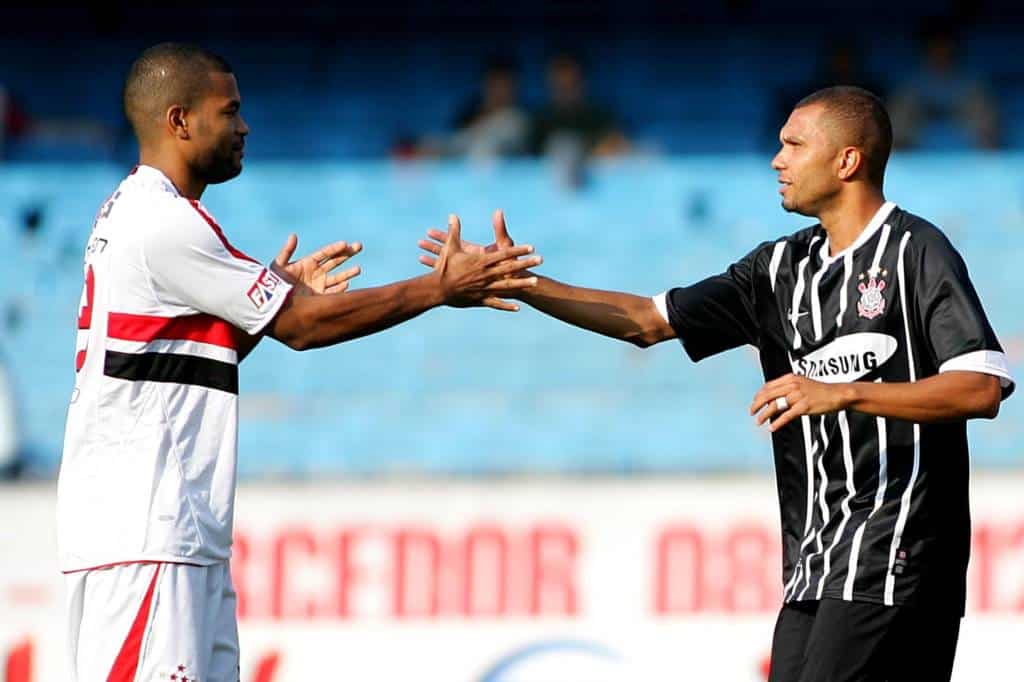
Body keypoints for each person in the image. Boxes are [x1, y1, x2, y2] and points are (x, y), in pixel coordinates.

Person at [420, 86, 1014, 681]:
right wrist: (522, 283)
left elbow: (981, 385)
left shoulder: (916, 250)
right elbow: (648, 322)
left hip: (897, 560)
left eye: (793, 145)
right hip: (814, 567)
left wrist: (846, 393)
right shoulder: (778, 269)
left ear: (847, 161)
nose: (777, 159)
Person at [57, 43, 541, 682]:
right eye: (229, 112)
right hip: (144, 538)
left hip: (173, 533)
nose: (244, 126)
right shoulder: (162, 224)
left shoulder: (142, 214)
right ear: (179, 121)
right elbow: (304, 328)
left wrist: (271, 300)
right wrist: (438, 289)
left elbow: (191, 356)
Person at [889, 22, 1000, 149]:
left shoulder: (972, 82)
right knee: (904, 105)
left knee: (979, 105)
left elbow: (989, 123)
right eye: (935, 46)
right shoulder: (910, 83)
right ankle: (900, 160)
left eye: (945, 46)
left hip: (969, 145)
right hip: (914, 143)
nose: (940, 51)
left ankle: (988, 162)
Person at [528, 52, 628, 159]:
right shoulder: (537, 122)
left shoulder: (601, 118)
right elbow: (524, 160)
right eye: (560, 87)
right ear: (549, 84)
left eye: (571, 85)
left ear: (583, 83)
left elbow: (621, 148)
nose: (565, 93)